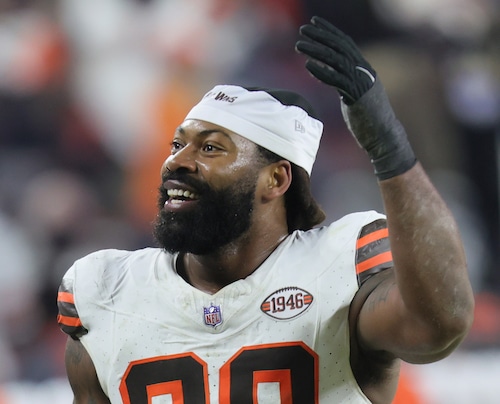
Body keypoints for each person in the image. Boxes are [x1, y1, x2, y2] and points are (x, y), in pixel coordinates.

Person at [56, 16, 474, 403]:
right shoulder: (106, 291)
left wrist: (390, 150)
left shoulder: (338, 268)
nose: (177, 162)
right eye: (177, 144)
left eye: (210, 148)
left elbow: (438, 325)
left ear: (276, 180)